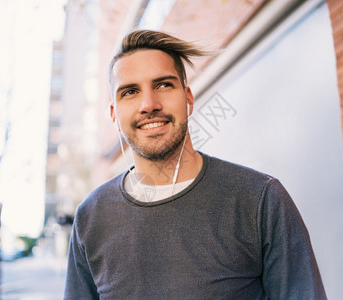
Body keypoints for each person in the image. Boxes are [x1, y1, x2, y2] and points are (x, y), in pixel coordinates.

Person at [64, 29, 327, 299]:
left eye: (164, 85)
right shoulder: (91, 217)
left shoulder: (259, 200)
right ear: (113, 114)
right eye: (130, 91)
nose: (148, 104)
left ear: (188, 98)